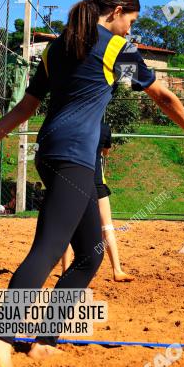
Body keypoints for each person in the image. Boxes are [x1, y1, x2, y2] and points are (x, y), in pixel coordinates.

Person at [0, 0, 184, 367]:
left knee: (90, 255)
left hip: (63, 156)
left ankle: (42, 342)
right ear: (115, 11)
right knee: (48, 248)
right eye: (130, 20)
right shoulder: (113, 47)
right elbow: (161, 96)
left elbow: (26, 107)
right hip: (72, 158)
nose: (131, 30)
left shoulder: (58, 48)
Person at [61, 120, 134, 282]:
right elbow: (105, 152)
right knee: (107, 227)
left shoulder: (74, 124)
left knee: (69, 228)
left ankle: (66, 269)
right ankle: (117, 270)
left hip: (75, 180)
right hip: (96, 181)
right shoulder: (104, 128)